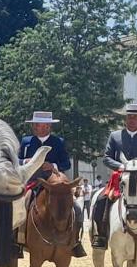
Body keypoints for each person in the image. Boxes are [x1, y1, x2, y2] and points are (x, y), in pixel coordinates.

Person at [90, 104, 137, 249]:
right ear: (125, 119)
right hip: (120, 178)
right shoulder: (115, 136)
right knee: (101, 200)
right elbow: (107, 158)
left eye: (135, 117)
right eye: (129, 117)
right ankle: (101, 235)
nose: (132, 120)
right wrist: (121, 166)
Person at [17, 110, 87, 258]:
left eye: (45, 126)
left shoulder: (58, 142)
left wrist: (53, 165)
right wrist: (25, 161)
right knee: (21, 204)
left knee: (76, 208)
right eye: (38, 125)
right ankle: (17, 240)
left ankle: (75, 241)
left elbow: (66, 163)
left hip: (55, 184)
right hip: (33, 181)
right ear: (34, 127)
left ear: (49, 127)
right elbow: (16, 161)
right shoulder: (26, 141)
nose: (41, 128)